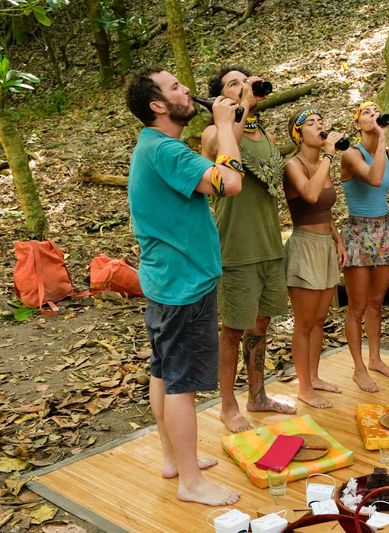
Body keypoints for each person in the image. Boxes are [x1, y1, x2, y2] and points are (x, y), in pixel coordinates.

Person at [126, 68, 243, 506]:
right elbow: (229, 182)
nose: (186, 89)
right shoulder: (168, 152)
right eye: (174, 87)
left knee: (162, 371)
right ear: (158, 105)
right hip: (182, 286)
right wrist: (226, 128)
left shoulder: (154, 147)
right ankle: (191, 483)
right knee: (181, 384)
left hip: (165, 280)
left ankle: (174, 459)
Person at [201, 66, 295, 433]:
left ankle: (258, 395)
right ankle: (227, 406)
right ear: (220, 98)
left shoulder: (262, 132)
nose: (244, 87)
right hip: (236, 246)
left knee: (260, 325)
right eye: (233, 84)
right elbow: (224, 152)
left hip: (270, 242)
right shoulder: (215, 131)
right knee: (233, 330)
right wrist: (239, 110)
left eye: (246, 81)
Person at [283, 108, 347, 408]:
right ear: (298, 133)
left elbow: (325, 207)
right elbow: (309, 195)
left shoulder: (323, 163)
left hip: (325, 246)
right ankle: (304, 387)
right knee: (304, 322)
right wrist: (330, 157)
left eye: (321, 121)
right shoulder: (292, 164)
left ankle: (315, 376)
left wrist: (337, 238)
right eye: (311, 123)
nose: (320, 126)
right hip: (305, 246)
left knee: (320, 319)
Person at [339, 101, 389, 392]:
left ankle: (375, 358)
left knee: (377, 302)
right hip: (359, 232)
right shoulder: (351, 154)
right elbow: (375, 179)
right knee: (358, 306)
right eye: (366, 112)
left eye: (377, 110)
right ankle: (358, 367)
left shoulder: (386, 153)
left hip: (383, 230)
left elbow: (384, 178)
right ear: (357, 122)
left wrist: (383, 144)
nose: (373, 114)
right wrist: (383, 137)